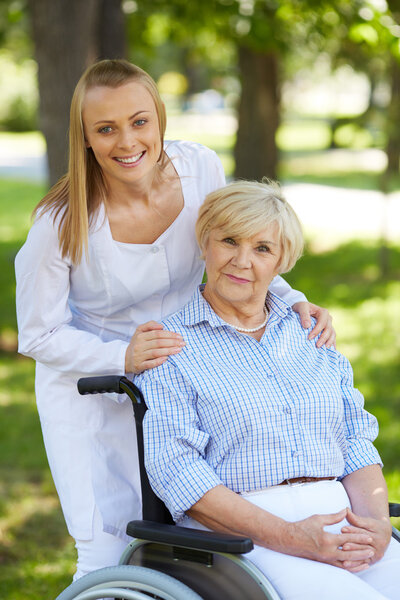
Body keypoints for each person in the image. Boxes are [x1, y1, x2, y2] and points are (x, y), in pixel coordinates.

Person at [15, 59, 334, 581]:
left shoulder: (199, 169)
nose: (126, 141)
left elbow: (233, 246)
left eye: (139, 121)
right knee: (109, 548)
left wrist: (291, 297)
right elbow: (37, 333)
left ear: (160, 119)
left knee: (198, 531)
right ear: (85, 138)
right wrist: (120, 357)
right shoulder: (61, 224)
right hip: (96, 391)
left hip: (198, 370)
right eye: (105, 128)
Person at [137, 179, 400, 600]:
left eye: (262, 249)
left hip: (343, 518)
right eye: (229, 241)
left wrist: (377, 528)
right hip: (244, 538)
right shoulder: (170, 345)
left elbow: (354, 439)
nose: (242, 261)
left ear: (281, 261)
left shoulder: (310, 332)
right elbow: (179, 471)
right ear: (205, 243)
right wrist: (293, 536)